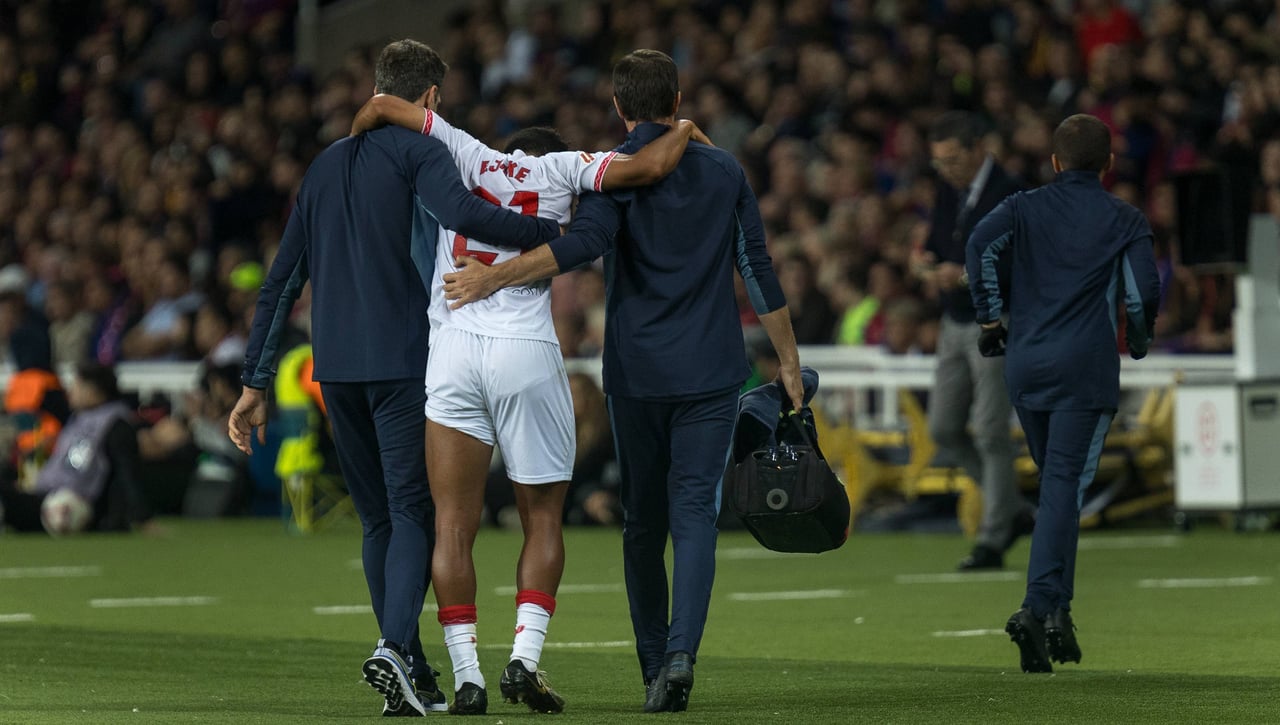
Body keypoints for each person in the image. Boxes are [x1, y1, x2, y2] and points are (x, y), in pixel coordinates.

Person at [441, 49, 803, 714]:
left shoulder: (609, 178)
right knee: (694, 514)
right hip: (711, 369)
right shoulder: (725, 169)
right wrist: (787, 360)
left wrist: (494, 276)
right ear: (678, 98)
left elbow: (580, 247)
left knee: (642, 523)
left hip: (638, 373)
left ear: (617, 106)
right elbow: (757, 265)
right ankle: (681, 655)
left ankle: (652, 664)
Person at [227, 40, 560, 717]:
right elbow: (467, 215)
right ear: (431, 98)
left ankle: (416, 675)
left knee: (377, 519)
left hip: (334, 369)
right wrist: (548, 231)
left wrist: (254, 382)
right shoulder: (422, 152)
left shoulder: (323, 167)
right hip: (406, 359)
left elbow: (281, 280)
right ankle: (395, 648)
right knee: (414, 512)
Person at [350, 93, 704, 715]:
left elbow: (382, 105)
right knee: (542, 517)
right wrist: (687, 127)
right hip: (526, 352)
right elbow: (650, 165)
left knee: (452, 524)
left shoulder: (466, 153)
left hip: (454, 351)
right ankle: (524, 658)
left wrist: (354, 141)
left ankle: (468, 678)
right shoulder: (568, 168)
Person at [965, 113, 1160, 674]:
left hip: (1026, 366)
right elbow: (1142, 293)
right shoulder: (1124, 218)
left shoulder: (1023, 207)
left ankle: (1058, 615)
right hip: (1083, 370)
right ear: (1109, 164)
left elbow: (979, 246)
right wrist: (1139, 340)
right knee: (1062, 489)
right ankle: (1036, 607)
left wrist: (989, 320)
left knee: (1058, 488)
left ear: (1054, 162)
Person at [910, 111, 1033, 571]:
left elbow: (1020, 257)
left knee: (990, 428)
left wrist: (963, 275)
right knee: (943, 428)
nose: (946, 170)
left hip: (995, 319)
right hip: (954, 320)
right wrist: (925, 260)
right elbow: (940, 240)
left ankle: (993, 537)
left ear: (979, 148)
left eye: (953, 160)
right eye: (939, 162)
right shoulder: (950, 190)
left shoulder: (1011, 192)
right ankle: (1013, 509)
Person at [0, 362, 149, 535]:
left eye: (77, 386)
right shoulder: (79, 419)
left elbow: (128, 473)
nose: (70, 392)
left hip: (73, 504)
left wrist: (141, 516)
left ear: (94, 391)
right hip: (50, 495)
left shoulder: (115, 425)